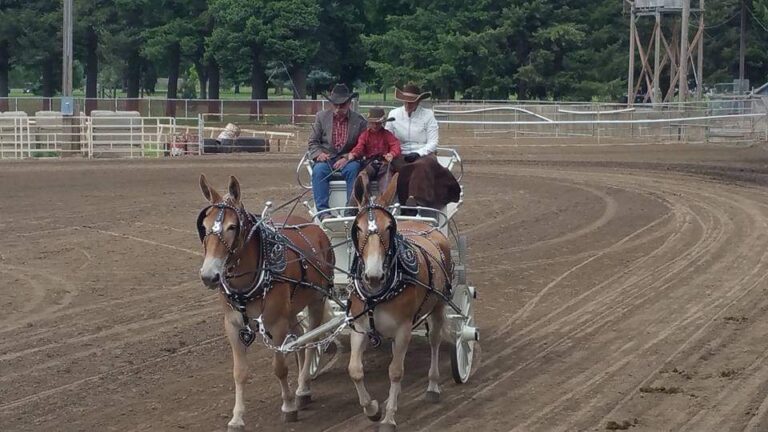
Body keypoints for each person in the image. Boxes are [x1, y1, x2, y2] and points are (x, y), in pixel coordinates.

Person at [307, 84, 367, 220]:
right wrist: (319, 154)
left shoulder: (359, 121)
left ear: (349, 103)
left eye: (342, 105)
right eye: (336, 105)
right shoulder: (321, 117)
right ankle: (323, 212)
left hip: (349, 160)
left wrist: (348, 157)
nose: (338, 108)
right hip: (326, 158)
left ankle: (350, 210)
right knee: (318, 171)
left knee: (354, 169)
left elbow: (362, 145)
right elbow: (313, 141)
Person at [346, 107, 401, 193]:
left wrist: (392, 154)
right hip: (369, 163)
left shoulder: (387, 134)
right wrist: (353, 153)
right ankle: (363, 201)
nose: (375, 126)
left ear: (382, 123)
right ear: (369, 122)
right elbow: (359, 146)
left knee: (386, 180)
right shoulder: (365, 135)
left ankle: (384, 202)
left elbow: (396, 145)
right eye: (372, 123)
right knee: (362, 177)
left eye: (378, 123)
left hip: (384, 163)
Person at [385, 83, 439, 171]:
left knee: (421, 167)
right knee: (385, 168)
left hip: (423, 154)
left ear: (418, 101)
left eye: (411, 102)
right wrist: (391, 153)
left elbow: (433, 142)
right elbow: (387, 137)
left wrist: (418, 153)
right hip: (399, 154)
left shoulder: (428, 115)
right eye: (405, 101)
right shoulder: (393, 114)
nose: (407, 104)